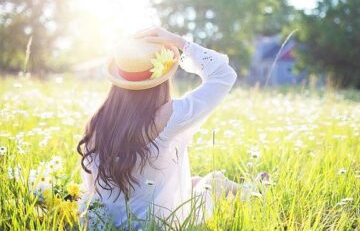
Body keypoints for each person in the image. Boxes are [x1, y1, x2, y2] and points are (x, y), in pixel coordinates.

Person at [77, 27, 265, 230]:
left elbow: (91, 188)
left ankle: (252, 188)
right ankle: (257, 192)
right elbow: (223, 74)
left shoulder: (97, 121)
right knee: (214, 181)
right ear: (162, 78)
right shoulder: (169, 116)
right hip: (163, 224)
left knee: (193, 182)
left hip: (109, 224)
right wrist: (179, 42)